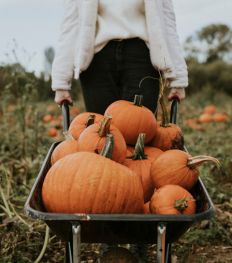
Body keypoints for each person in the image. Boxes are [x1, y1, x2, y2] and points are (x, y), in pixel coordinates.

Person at [52, 0, 188, 114]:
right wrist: (61, 82)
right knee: (100, 131)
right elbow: (71, 25)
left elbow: (168, 24)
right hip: (97, 59)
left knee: (140, 131)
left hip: (142, 57)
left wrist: (179, 79)